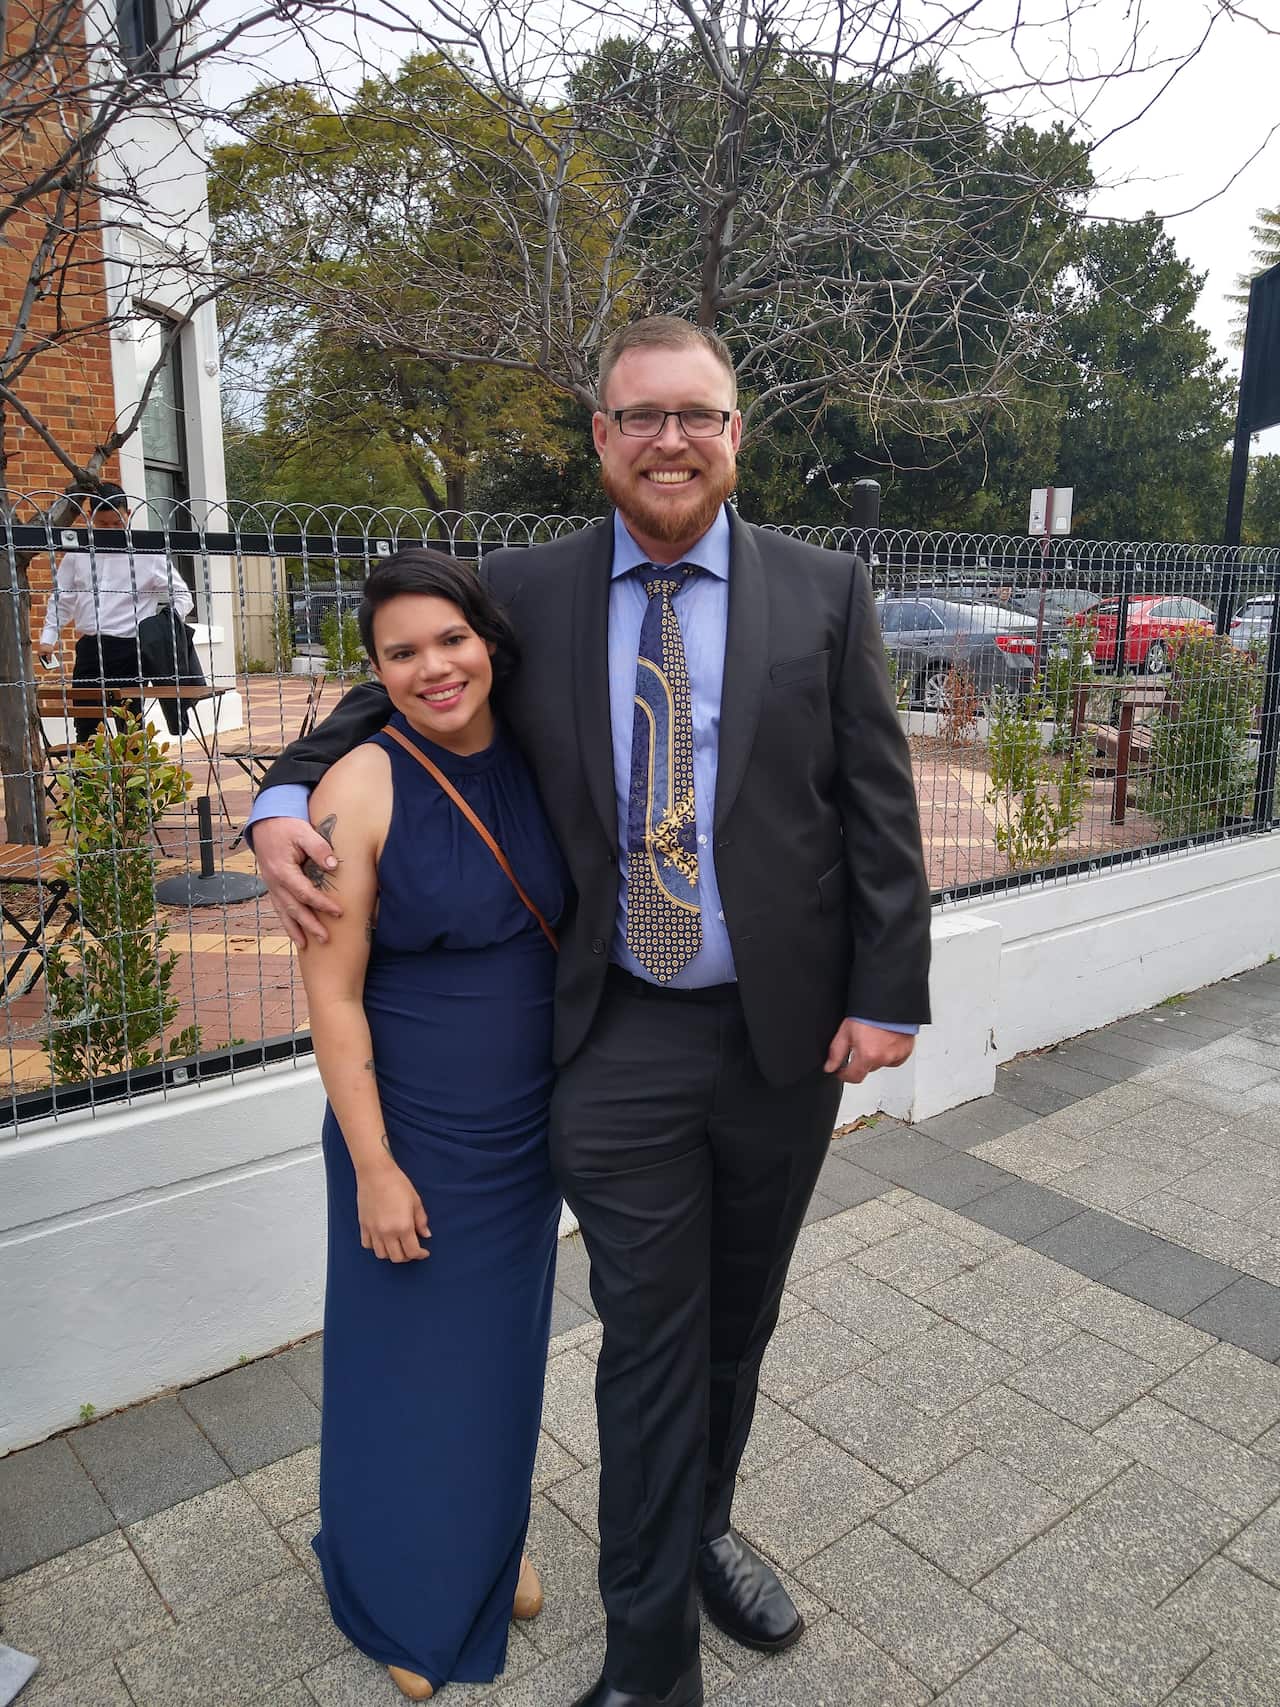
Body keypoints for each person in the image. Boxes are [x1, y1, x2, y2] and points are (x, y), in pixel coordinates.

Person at [248, 316, 932, 1707]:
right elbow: (377, 702)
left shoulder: (824, 591)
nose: (670, 438)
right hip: (613, 1028)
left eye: (698, 413)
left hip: (785, 1037)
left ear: (737, 433)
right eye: (641, 416)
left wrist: (889, 991)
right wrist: (273, 800)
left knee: (739, 1317)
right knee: (652, 1332)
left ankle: (705, 1531)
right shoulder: (526, 590)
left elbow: (880, 812)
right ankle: (646, 1660)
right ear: (602, 439)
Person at [293, 549, 566, 1701]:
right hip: (407, 1127)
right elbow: (331, 993)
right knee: (404, 1366)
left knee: (499, 1363)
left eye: (448, 641)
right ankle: (403, 1588)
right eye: (399, 653)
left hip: (522, 1127)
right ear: (375, 673)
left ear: (488, 642)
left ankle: (481, 1546)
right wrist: (374, 1168)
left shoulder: (545, 753)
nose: (431, 668)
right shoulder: (359, 782)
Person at [38, 484, 195, 739]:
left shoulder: (147, 554)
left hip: (130, 649)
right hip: (90, 648)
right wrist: (48, 639)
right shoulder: (78, 554)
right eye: (103, 524)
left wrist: (161, 628)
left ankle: (133, 778)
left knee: (129, 724)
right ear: (90, 518)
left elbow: (182, 596)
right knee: (87, 725)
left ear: (128, 514)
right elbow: (62, 599)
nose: (110, 530)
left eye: (116, 523)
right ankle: (87, 779)